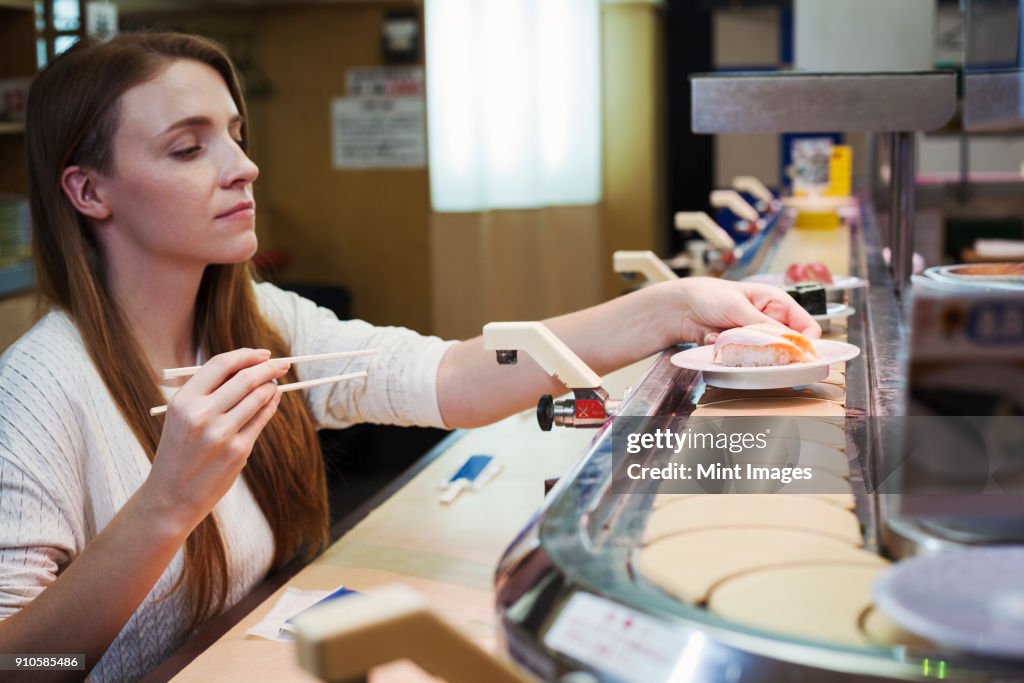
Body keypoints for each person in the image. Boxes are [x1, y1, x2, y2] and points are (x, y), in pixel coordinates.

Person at [0, 32, 819, 681]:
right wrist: (164, 506)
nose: (243, 167)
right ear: (88, 191)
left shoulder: (260, 318)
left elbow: (455, 377)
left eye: (236, 137)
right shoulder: (38, 390)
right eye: (188, 147)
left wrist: (675, 306)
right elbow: (20, 665)